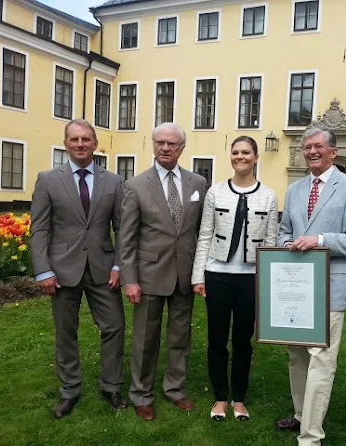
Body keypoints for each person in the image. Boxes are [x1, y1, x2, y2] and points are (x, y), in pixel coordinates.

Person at [275, 127, 346, 445]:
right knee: (297, 355)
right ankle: (302, 414)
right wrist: (286, 244)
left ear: (332, 151)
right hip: (297, 288)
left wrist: (318, 240)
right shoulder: (295, 189)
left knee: (321, 360)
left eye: (318, 146)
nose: (312, 151)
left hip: (330, 288)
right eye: (307, 147)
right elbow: (284, 230)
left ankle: (311, 436)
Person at [30, 119, 126, 419]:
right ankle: (69, 390)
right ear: (66, 143)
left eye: (86, 139)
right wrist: (43, 270)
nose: (80, 144)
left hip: (102, 269)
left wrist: (119, 263)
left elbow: (122, 227)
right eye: (75, 139)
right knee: (65, 332)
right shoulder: (48, 179)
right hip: (61, 271)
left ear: (95, 143)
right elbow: (39, 229)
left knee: (114, 327)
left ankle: (110, 386)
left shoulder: (113, 181)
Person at [119, 122, 207, 421]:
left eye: (172, 144)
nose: (165, 148)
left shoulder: (197, 183)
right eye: (160, 143)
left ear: (182, 148)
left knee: (179, 337)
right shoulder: (135, 185)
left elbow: (200, 231)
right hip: (149, 274)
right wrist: (130, 279)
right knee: (145, 338)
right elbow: (126, 238)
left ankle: (175, 389)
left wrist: (200, 274)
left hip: (184, 273)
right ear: (152, 145)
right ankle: (141, 394)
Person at [191, 136, 278, 422]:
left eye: (246, 152)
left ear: (255, 157)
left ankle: (239, 398)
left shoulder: (268, 195)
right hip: (217, 275)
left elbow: (271, 241)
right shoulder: (215, 192)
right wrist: (198, 276)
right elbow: (204, 234)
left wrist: (267, 281)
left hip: (250, 278)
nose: (240, 157)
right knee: (217, 339)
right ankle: (219, 397)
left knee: (243, 340)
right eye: (235, 152)